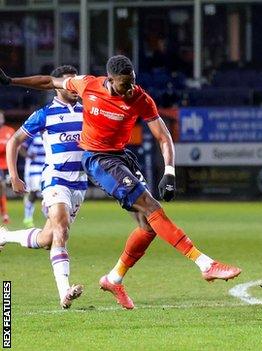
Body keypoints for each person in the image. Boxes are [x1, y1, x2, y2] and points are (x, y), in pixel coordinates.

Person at [0, 55, 242, 310]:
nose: (130, 89)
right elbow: (50, 81)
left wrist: (169, 171)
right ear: (110, 81)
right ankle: (205, 264)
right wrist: (11, 81)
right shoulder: (88, 86)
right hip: (96, 160)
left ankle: (114, 278)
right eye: (124, 85)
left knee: (149, 227)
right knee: (151, 208)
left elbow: (163, 136)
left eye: (133, 82)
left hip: (121, 157)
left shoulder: (140, 98)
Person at [0, 65, 84, 309]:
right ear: (57, 85)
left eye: (76, 82)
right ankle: (64, 291)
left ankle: (5, 236)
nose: (74, 87)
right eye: (68, 82)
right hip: (55, 179)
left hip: (79, 184)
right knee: (62, 227)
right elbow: (14, 141)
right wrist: (14, 175)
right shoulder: (44, 114)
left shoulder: (88, 112)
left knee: (49, 238)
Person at [20, 133, 45, 227]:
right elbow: (21, 148)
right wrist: (29, 156)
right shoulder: (33, 135)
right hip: (33, 168)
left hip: (46, 167)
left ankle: (49, 217)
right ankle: (28, 218)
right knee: (34, 192)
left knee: (47, 193)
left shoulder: (50, 131)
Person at [0, 110, 15, 224]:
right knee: (2, 187)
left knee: (3, 189)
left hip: (8, 166)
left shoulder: (9, 131)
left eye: (1, 117)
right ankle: (5, 214)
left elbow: (14, 148)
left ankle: (5, 213)